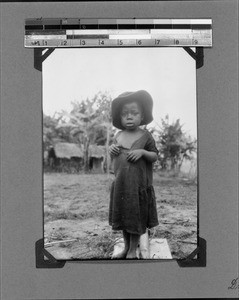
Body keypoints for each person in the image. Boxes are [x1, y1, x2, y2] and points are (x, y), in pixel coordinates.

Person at [109, 90, 159, 259]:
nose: (129, 117)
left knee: (136, 219)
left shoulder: (146, 136)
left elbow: (155, 156)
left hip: (138, 187)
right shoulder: (118, 135)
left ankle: (132, 251)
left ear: (142, 115)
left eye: (134, 113)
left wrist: (143, 152)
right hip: (121, 186)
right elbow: (113, 160)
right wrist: (112, 150)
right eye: (125, 114)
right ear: (120, 117)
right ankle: (126, 248)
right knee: (124, 218)